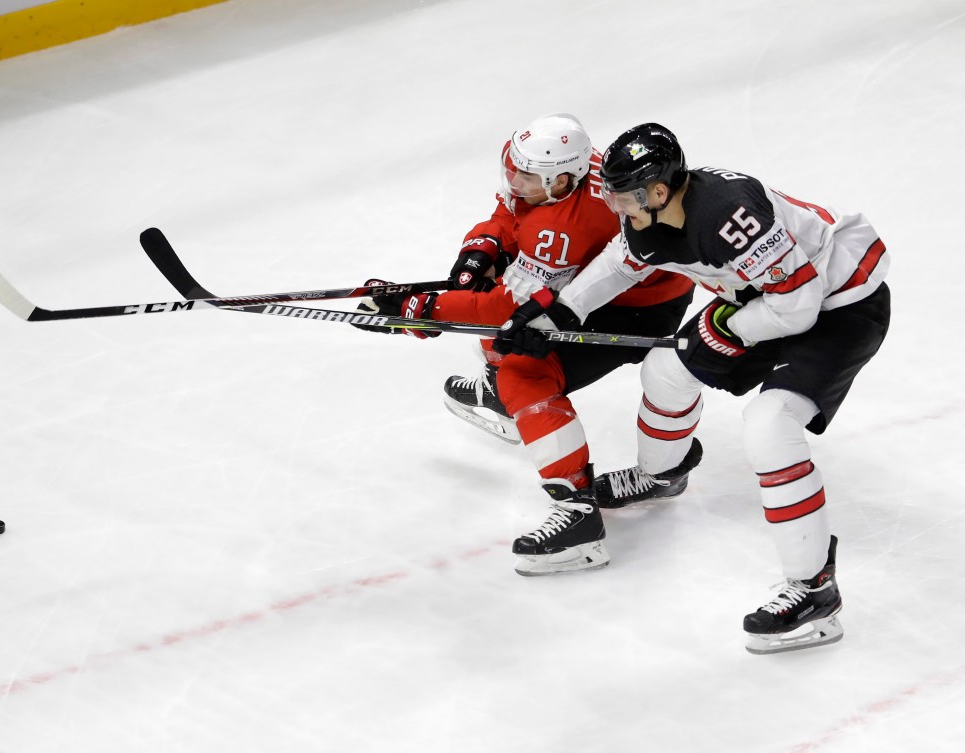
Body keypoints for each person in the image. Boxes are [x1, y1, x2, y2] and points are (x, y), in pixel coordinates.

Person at [493, 122, 890, 653]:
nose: (616, 208)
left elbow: (797, 307)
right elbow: (619, 264)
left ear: (659, 191)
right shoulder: (650, 215)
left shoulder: (730, 214)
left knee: (771, 425)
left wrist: (724, 329)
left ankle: (815, 592)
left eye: (624, 197)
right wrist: (557, 313)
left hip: (841, 306)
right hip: (771, 298)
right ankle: (662, 475)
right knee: (666, 368)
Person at [357, 113, 694, 576]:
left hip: (634, 308)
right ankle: (508, 399)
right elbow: (510, 214)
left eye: (527, 177)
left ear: (561, 181)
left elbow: (506, 311)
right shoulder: (560, 175)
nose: (514, 181)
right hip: (608, 281)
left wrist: (419, 313)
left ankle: (578, 516)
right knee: (501, 309)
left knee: (521, 362)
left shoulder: (564, 227)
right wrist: (482, 249)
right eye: (512, 169)